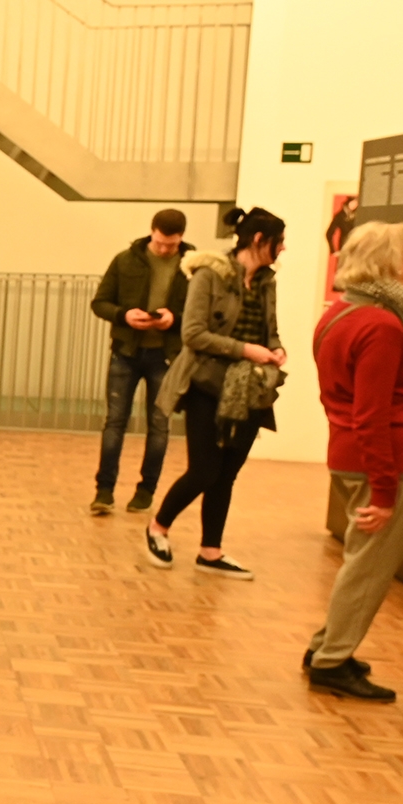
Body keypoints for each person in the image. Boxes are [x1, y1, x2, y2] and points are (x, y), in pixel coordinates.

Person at [303, 222, 403, 702]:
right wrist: (385, 491)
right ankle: (332, 662)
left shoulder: (341, 311)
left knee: (361, 560)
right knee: (369, 566)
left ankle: (328, 645)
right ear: (391, 259)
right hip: (381, 459)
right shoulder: (384, 325)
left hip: (352, 454)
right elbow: (373, 413)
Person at [144, 206, 287, 579]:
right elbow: (193, 334)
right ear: (259, 240)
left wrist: (276, 348)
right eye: (279, 241)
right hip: (208, 385)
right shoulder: (210, 275)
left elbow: (269, 329)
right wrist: (245, 350)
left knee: (227, 473)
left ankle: (211, 551)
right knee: (204, 470)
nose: (283, 249)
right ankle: (158, 526)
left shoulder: (268, 281)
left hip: (252, 387)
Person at [88, 208, 193, 515]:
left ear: (181, 238)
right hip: (126, 351)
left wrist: (174, 321)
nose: (163, 249)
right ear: (152, 232)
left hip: (167, 355)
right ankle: (104, 492)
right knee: (115, 422)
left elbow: (203, 316)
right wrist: (124, 315)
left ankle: (146, 491)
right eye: (159, 243)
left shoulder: (194, 268)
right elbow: (100, 302)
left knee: (159, 425)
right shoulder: (126, 259)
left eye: (170, 245)